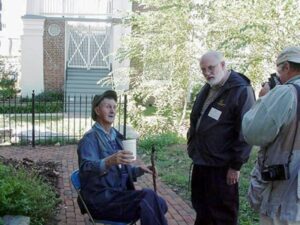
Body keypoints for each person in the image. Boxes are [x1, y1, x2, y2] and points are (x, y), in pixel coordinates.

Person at [77, 90, 168, 225]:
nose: (112, 110)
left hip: (117, 195)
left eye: (114, 107)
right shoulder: (89, 139)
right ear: (97, 110)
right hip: (101, 200)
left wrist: (139, 170)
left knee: (159, 203)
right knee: (149, 198)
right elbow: (85, 169)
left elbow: (120, 170)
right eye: (108, 106)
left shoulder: (116, 137)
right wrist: (108, 161)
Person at [187, 51, 255, 225]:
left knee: (222, 215)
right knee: (201, 209)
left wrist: (236, 165)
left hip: (222, 166)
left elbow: (245, 131)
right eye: (203, 69)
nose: (207, 73)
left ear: (223, 65)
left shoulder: (241, 90)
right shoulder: (209, 87)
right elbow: (197, 119)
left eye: (211, 67)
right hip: (201, 161)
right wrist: (191, 145)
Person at [242, 46, 300, 225]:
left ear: (287, 67)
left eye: (278, 70)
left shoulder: (286, 93)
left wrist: (264, 98)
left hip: (284, 195)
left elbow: (253, 133)